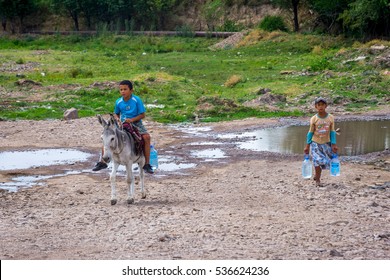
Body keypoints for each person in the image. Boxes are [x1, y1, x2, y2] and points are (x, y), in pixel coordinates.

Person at [93, 80, 154, 174]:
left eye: (125, 89)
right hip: (122, 123)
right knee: (107, 136)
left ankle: (147, 164)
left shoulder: (136, 100)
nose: (123, 91)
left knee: (146, 137)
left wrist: (132, 120)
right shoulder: (118, 102)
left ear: (131, 90)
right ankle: (103, 162)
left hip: (136, 123)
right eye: (121, 89)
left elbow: (142, 115)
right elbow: (116, 114)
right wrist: (117, 119)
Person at [304, 97, 338, 186]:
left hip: (326, 143)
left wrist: (334, 144)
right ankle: (318, 180)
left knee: (325, 161)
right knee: (317, 161)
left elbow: (332, 131)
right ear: (316, 106)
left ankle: (317, 174)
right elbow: (310, 132)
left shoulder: (330, 118)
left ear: (326, 106)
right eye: (319, 105)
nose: (321, 107)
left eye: (322, 105)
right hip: (315, 143)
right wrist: (307, 145)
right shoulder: (314, 119)